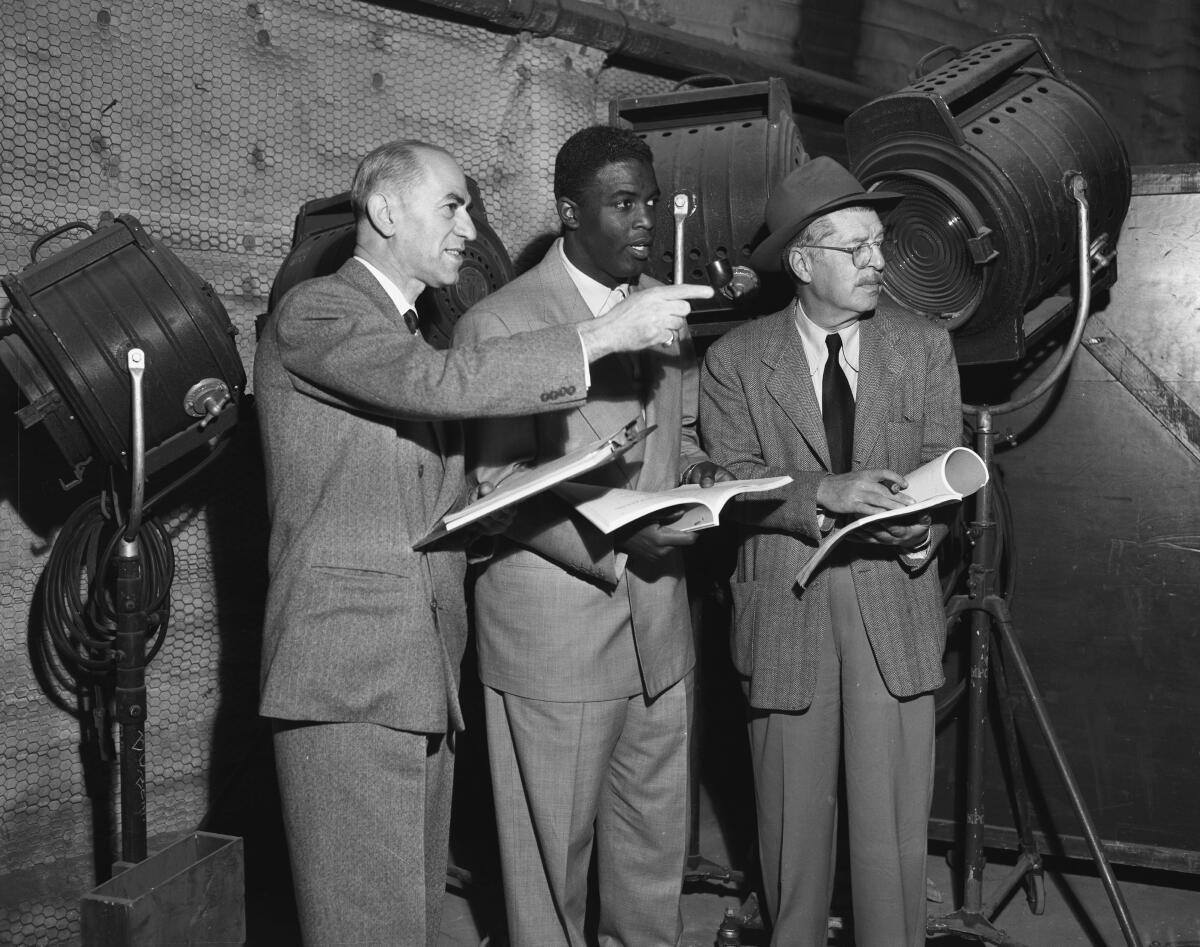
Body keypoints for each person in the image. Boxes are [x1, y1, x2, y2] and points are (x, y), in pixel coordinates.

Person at [254, 138, 711, 947]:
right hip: (347, 670)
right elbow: (437, 386)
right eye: (453, 206)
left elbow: (454, 489)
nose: (471, 228)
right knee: (366, 925)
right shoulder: (318, 311)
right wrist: (605, 336)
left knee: (408, 918)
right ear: (387, 212)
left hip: (419, 666)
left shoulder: (409, 333)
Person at [452, 124, 732, 947]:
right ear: (569, 213)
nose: (644, 218)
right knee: (551, 878)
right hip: (557, 639)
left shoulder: (663, 314)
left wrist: (709, 476)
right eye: (622, 203)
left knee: (652, 865)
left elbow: (681, 437)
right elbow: (492, 489)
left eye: (648, 199)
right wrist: (617, 544)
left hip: (660, 637)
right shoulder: (499, 326)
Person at [699, 156, 963, 947]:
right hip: (788, 605)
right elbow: (732, 483)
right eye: (858, 248)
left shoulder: (923, 347)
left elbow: (949, 465)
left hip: (896, 602)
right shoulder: (737, 360)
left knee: (890, 845)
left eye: (879, 244)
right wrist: (823, 492)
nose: (879, 261)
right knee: (791, 840)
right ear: (803, 261)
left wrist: (929, 529)